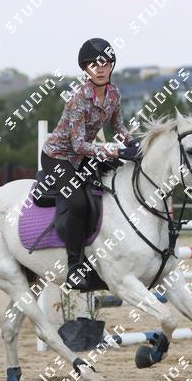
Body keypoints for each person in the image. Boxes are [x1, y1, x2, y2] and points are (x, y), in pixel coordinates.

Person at [41, 38, 140, 290]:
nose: (100, 69)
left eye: (105, 64)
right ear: (85, 68)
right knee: (79, 202)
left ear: (111, 66)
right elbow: (78, 145)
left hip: (87, 155)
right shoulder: (77, 99)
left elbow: (118, 127)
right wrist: (113, 151)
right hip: (58, 157)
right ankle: (74, 266)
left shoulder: (114, 94)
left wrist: (133, 143)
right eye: (94, 64)